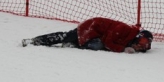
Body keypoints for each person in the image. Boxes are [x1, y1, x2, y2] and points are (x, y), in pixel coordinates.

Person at [22, 17, 153, 53]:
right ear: (138, 37)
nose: (142, 46)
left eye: (145, 46)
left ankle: (73, 44)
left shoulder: (129, 38)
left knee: (96, 45)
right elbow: (108, 41)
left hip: (96, 33)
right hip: (90, 28)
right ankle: (35, 41)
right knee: (65, 36)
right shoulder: (124, 30)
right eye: (142, 42)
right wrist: (122, 49)